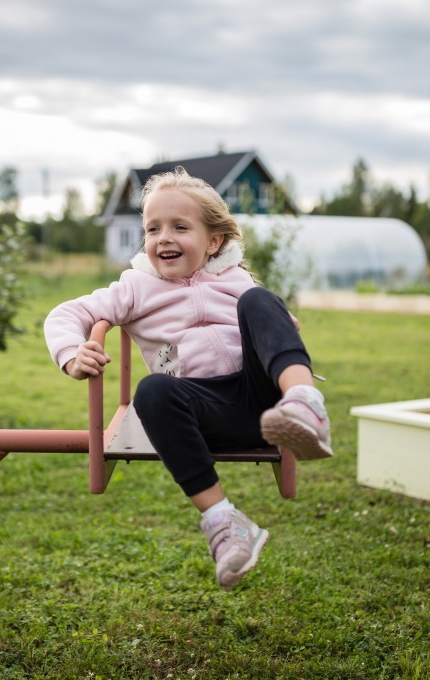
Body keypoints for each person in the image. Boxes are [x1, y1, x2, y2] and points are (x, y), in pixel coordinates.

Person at [44, 167, 331, 591]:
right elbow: (66, 313)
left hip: (263, 401)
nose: (164, 238)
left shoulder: (235, 280)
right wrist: (72, 353)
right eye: (153, 228)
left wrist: (271, 318)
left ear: (213, 241)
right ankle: (225, 523)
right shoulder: (136, 287)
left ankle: (305, 403)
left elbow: (277, 325)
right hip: (202, 411)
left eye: (180, 227)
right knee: (152, 390)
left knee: (260, 299)